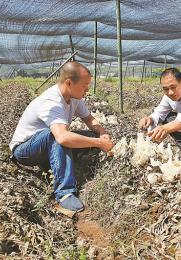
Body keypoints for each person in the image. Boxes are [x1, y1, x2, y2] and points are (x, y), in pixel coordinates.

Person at [9, 61, 114, 212]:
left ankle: (60, 164)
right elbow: (62, 138)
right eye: (84, 86)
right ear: (69, 83)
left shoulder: (75, 98)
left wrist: (102, 134)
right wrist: (98, 143)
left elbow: (90, 119)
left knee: (90, 135)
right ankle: (64, 192)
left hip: (46, 145)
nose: (87, 90)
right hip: (25, 150)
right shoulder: (52, 101)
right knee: (58, 136)